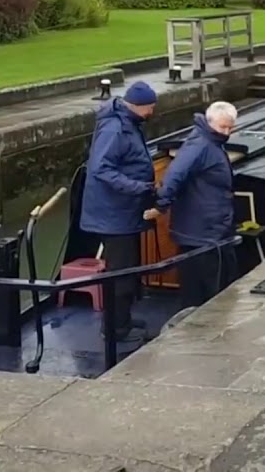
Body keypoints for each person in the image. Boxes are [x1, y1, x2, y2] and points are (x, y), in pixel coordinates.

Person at [79, 80, 158, 344]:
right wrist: (138, 187)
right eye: (151, 108)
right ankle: (115, 330)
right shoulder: (115, 128)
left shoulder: (128, 123)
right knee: (120, 272)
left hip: (123, 211)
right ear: (141, 106)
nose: (152, 113)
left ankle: (122, 319)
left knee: (127, 269)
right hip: (113, 215)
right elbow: (100, 168)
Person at [146, 101, 240, 310]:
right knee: (204, 292)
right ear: (209, 122)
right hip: (202, 234)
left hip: (211, 231)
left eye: (229, 128)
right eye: (222, 127)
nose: (226, 132)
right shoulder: (200, 146)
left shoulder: (211, 142)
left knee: (214, 286)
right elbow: (175, 175)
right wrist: (161, 205)